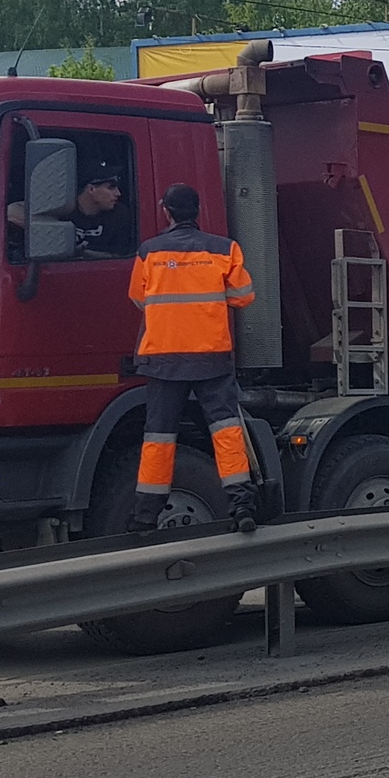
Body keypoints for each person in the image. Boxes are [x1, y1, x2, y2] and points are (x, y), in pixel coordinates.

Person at [126, 182, 258, 533]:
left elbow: (139, 298)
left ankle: (144, 517)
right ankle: (242, 506)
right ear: (197, 211)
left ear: (165, 211)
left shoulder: (148, 252)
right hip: (211, 357)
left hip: (164, 359)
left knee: (159, 437)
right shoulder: (224, 249)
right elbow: (243, 296)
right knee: (226, 432)